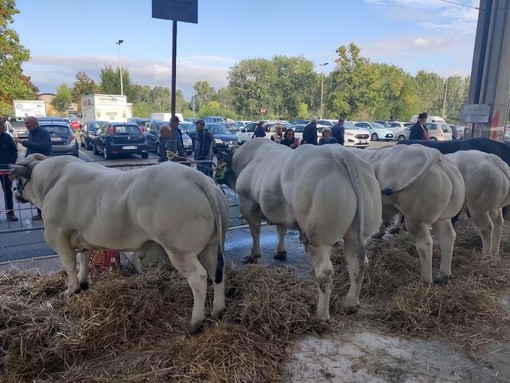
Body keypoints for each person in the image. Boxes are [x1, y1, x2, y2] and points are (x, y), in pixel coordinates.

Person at [16, 116, 52, 220]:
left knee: (44, 189)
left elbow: (41, 147)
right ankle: (39, 212)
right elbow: (31, 149)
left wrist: (23, 142)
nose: (26, 126)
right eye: (25, 124)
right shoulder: (31, 133)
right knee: (36, 189)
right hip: (34, 164)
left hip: (44, 163)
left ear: (35, 123)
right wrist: (26, 159)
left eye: (28, 123)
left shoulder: (43, 133)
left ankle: (47, 212)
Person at [0, 120, 18, 221]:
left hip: (5, 169)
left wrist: (11, 161)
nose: (1, 127)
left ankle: (10, 212)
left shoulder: (7, 137)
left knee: (7, 191)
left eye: (1, 125)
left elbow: (14, 151)